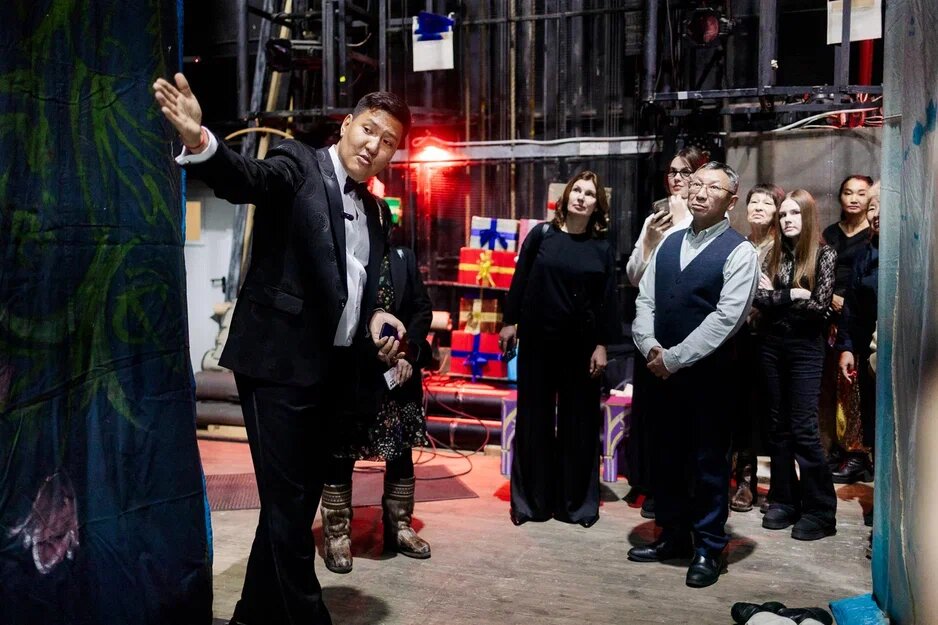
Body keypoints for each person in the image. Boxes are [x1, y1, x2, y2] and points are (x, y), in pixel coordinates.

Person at [153, 73, 410, 625]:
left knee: (288, 506)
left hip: (333, 375)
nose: (374, 145)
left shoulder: (375, 213)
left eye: (388, 141)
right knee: (290, 511)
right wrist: (202, 142)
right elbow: (248, 178)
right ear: (347, 125)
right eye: (369, 130)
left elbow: (357, 289)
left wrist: (376, 318)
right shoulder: (298, 165)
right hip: (277, 365)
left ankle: (251, 615)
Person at [629, 162, 759, 588]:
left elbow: (727, 319)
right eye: (696, 184)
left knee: (707, 462)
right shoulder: (669, 241)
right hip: (661, 372)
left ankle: (708, 547)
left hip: (709, 378)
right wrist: (650, 345)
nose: (700, 192)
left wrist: (675, 358)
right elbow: (645, 300)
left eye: (713, 188)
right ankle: (672, 534)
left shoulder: (740, 251)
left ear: (731, 201)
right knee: (666, 455)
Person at [500, 170, 619, 528]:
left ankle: (576, 505)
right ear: (566, 197)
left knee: (579, 424)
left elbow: (606, 301)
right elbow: (520, 280)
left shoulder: (602, 247)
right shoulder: (542, 235)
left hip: (581, 347)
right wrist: (509, 322)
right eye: (577, 190)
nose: (582, 197)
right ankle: (531, 504)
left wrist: (602, 344)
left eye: (590, 193)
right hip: (538, 341)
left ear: (598, 205)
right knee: (533, 420)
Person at [320, 237, 435, 574]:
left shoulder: (402, 257)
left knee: (401, 452)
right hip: (354, 375)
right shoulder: (344, 255)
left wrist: (409, 352)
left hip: (398, 373)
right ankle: (337, 534)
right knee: (341, 452)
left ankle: (400, 527)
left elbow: (421, 309)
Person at [624, 146, 708, 519]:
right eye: (672, 172)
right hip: (652, 327)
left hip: (687, 329)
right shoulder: (655, 218)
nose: (676, 178)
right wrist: (649, 241)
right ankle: (653, 484)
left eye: (684, 172)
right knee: (652, 412)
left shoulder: (705, 217)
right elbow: (634, 276)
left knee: (683, 415)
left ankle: (681, 490)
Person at [754, 189, 838, 541]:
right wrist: (793, 294)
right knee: (777, 427)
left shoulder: (824, 254)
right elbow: (757, 297)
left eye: (794, 213)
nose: (787, 219)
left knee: (803, 428)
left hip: (805, 347)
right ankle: (784, 500)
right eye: (783, 214)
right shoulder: (773, 253)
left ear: (808, 216)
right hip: (772, 345)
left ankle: (820, 510)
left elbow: (820, 308)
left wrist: (778, 298)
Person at [731, 183, 785, 513]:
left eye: (767, 202)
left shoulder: (783, 246)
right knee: (743, 412)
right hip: (739, 340)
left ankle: (780, 487)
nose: (759, 207)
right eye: (754, 201)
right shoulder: (738, 244)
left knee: (774, 413)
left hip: (772, 338)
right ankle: (745, 481)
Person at [820, 175, 874, 468]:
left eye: (861, 193)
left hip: (858, 318)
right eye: (848, 192)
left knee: (853, 385)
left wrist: (846, 302)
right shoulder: (830, 232)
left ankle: (858, 449)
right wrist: (830, 299)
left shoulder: (872, 234)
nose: (854, 198)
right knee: (828, 384)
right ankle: (835, 447)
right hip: (826, 314)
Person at [834, 181, 880, 486]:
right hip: (869, 350)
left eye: (879, 206)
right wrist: (847, 347)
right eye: (872, 208)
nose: (875, 214)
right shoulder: (867, 251)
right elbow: (851, 304)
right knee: (873, 417)